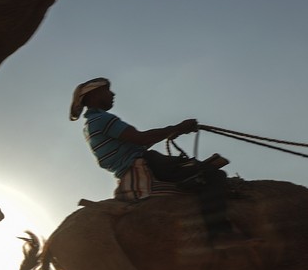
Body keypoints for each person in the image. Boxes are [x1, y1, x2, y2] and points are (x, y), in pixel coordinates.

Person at [70, 78, 243, 245]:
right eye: (107, 90)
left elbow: (139, 141)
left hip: (130, 168)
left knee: (200, 171)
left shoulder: (91, 124)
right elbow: (141, 138)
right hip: (145, 162)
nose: (112, 94)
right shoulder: (103, 119)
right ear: (94, 94)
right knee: (213, 174)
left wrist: (174, 131)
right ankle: (219, 233)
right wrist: (177, 128)